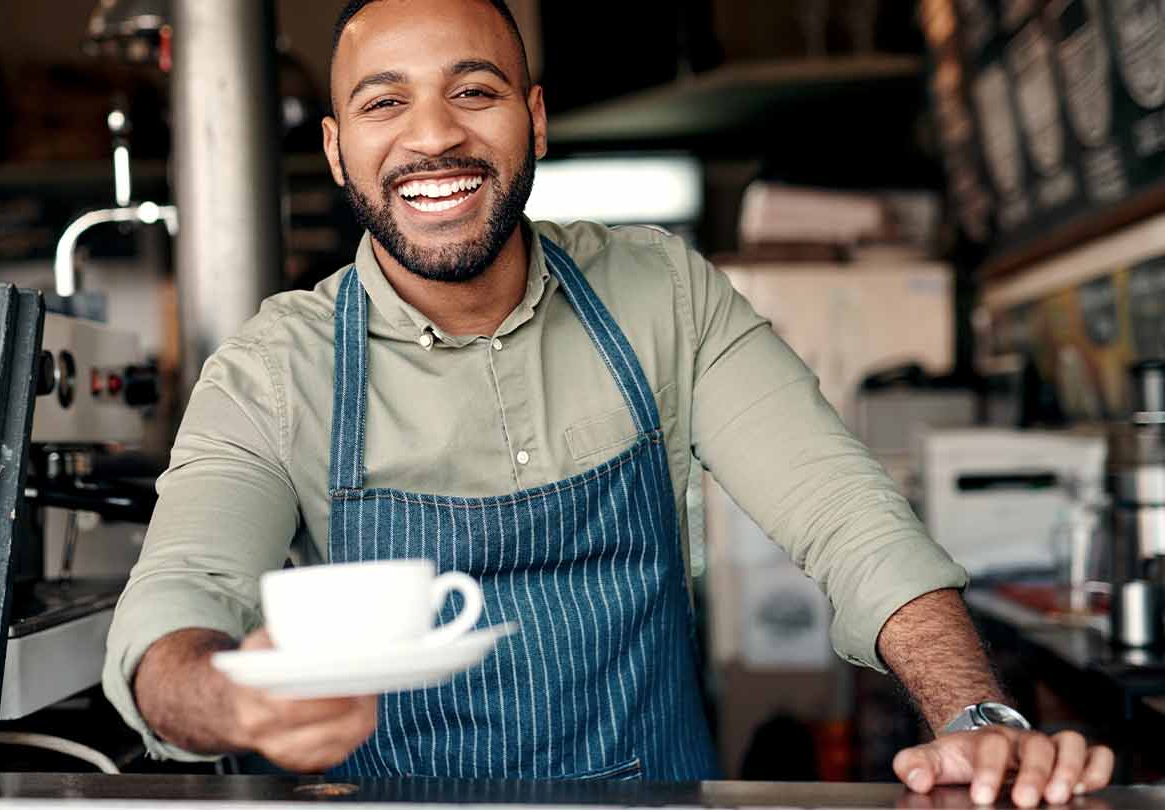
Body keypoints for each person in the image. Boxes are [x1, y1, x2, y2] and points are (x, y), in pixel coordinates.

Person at [103, 0, 1115, 802]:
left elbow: (848, 518)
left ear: (535, 118)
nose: (434, 136)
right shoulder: (273, 370)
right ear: (335, 150)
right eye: (384, 103)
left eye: (474, 91)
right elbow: (174, 610)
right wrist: (233, 700)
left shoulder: (663, 293)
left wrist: (976, 715)